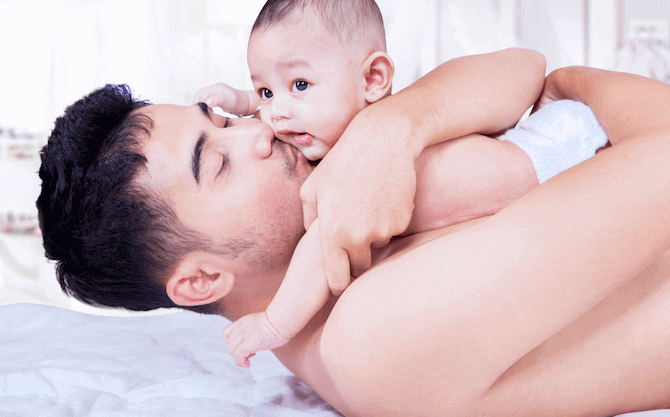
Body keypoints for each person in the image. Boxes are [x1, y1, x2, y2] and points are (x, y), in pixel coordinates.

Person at [37, 45, 670, 415]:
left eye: (224, 120)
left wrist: (392, 128)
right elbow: (567, 95)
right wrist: (574, 89)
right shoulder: (371, 335)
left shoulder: (357, 208)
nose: (259, 131)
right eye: (218, 163)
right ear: (201, 279)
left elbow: (528, 71)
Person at [194, 0, 607, 364]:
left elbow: (320, 250)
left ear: (373, 79)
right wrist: (242, 100)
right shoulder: (333, 129)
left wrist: (273, 324)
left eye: (299, 85)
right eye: (265, 91)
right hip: (549, 166)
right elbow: (284, 104)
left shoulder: (359, 172)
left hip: (564, 158)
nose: (275, 113)